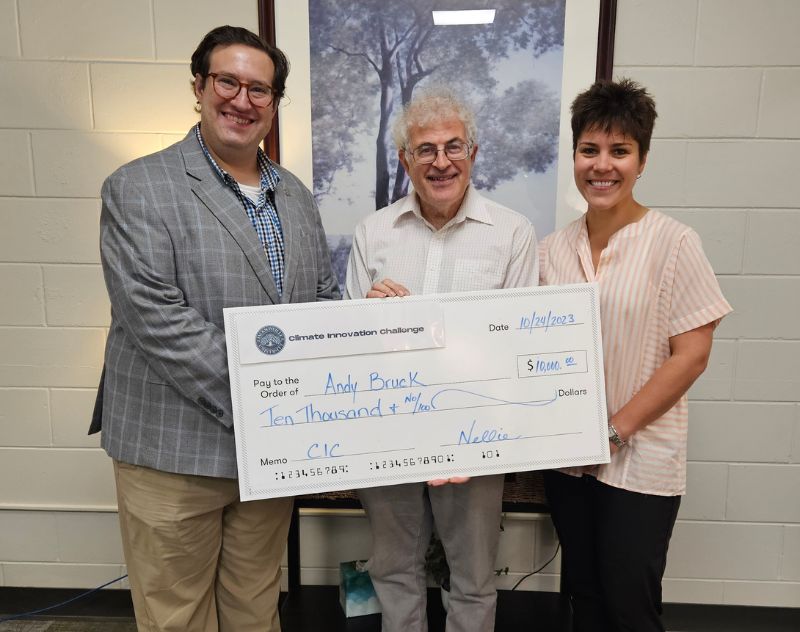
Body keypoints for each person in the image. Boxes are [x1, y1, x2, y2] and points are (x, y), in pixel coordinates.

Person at [90, 25, 339, 632]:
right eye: (228, 81)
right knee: (177, 615)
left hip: (270, 456)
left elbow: (322, 301)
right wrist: (269, 392)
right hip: (174, 449)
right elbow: (157, 319)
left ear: (275, 103)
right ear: (199, 87)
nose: (243, 100)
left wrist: (369, 330)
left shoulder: (297, 197)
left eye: (261, 89)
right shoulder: (139, 187)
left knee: (256, 605)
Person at [539, 78, 732, 632]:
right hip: (568, 462)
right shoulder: (552, 250)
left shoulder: (674, 242)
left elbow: (692, 353)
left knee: (629, 601)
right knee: (585, 594)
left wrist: (614, 430)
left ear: (642, 160)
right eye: (589, 150)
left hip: (640, 461)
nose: (602, 166)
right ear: (574, 155)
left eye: (619, 151)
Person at [345, 85, 538, 632]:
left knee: (473, 577)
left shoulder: (513, 234)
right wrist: (366, 314)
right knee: (393, 567)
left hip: (476, 438)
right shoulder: (373, 232)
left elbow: (517, 344)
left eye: (453, 147)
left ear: (473, 154)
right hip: (389, 430)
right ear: (406, 160)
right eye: (425, 150)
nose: (440, 161)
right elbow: (350, 344)